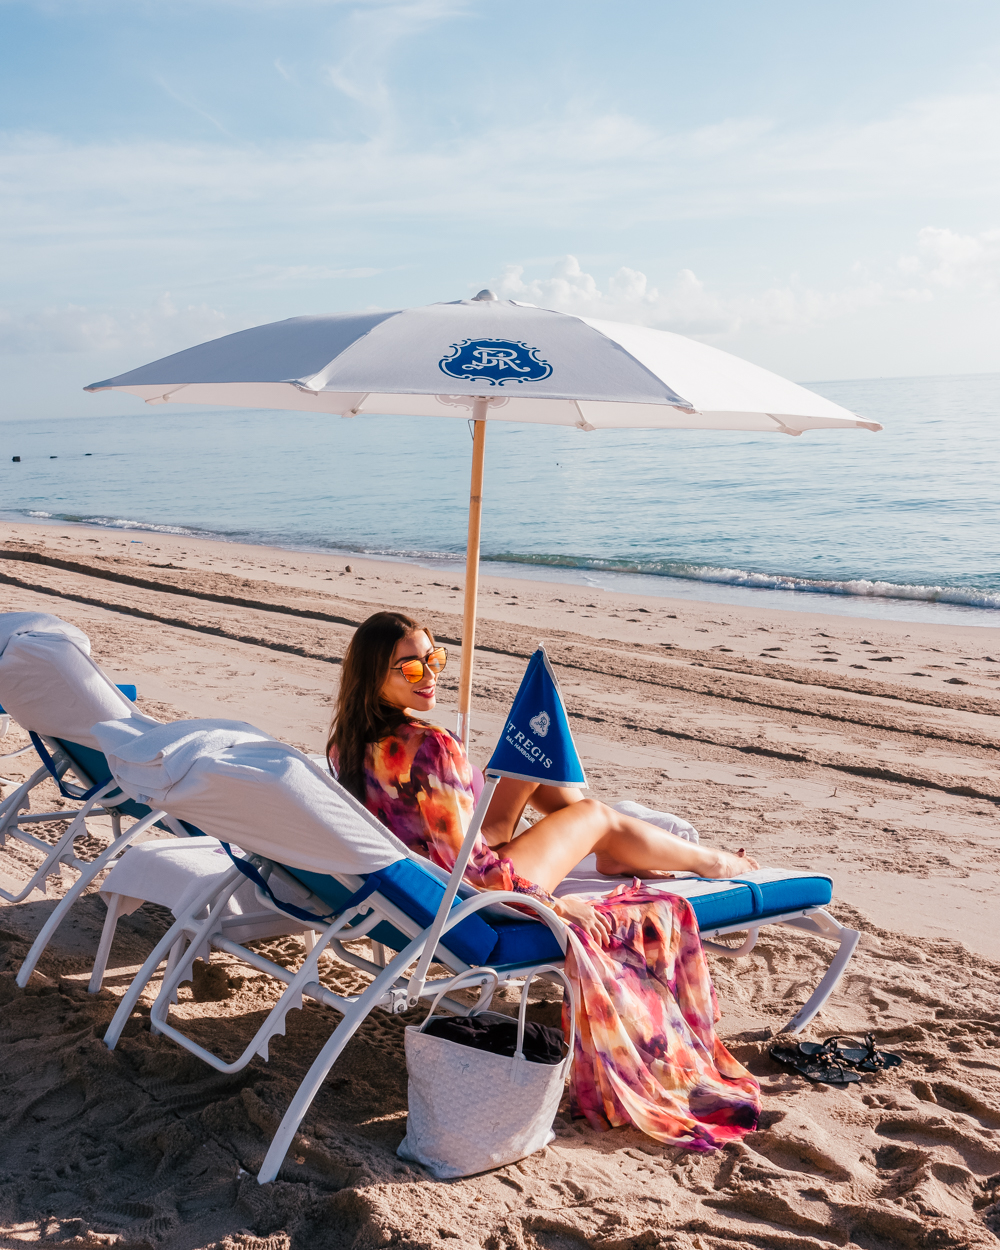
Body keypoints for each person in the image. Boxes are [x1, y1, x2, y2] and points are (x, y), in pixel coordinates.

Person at [328, 611, 761, 1150]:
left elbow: (437, 826)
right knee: (595, 815)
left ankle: (618, 851)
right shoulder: (430, 745)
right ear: (375, 676)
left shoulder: (346, 743)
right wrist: (547, 903)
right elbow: (477, 866)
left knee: (524, 768)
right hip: (468, 894)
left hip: (424, 872)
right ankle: (709, 862)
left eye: (433, 658)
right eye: (409, 666)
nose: (429, 674)